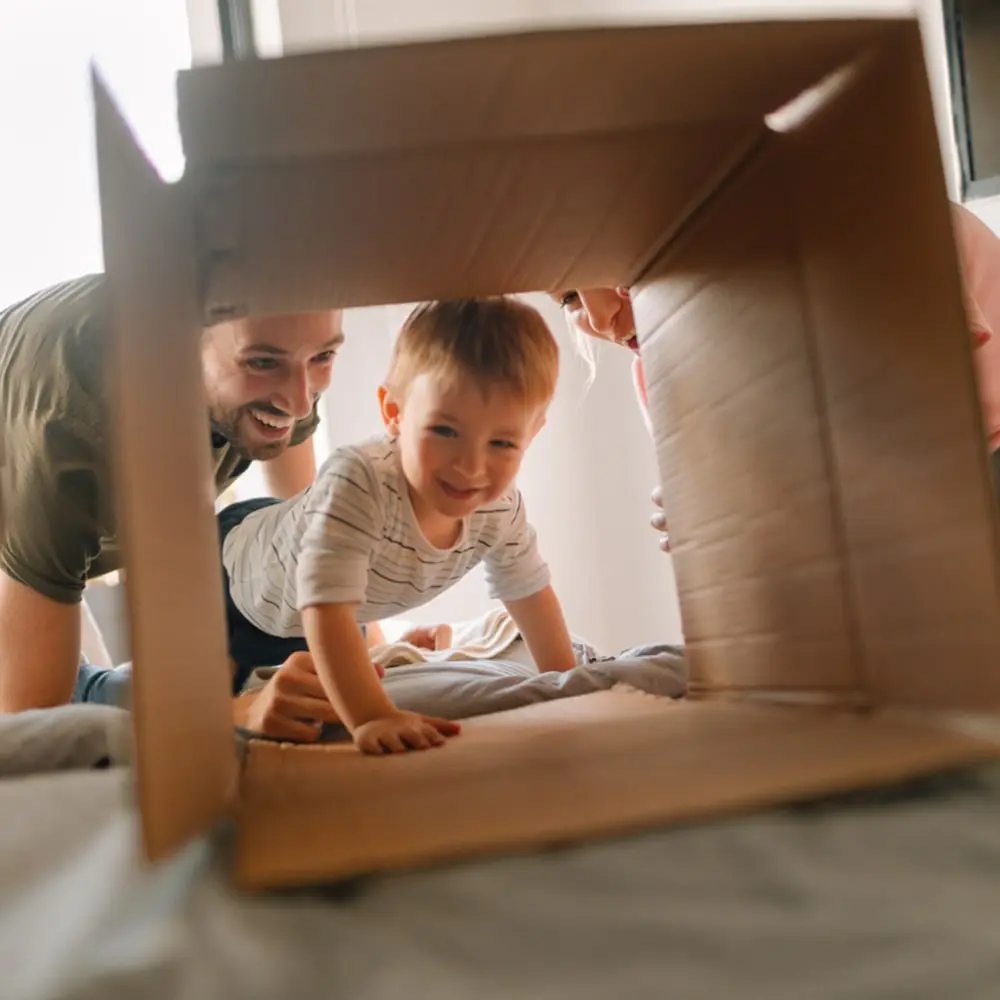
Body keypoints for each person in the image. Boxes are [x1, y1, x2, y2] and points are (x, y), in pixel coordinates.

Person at [219, 297, 577, 754]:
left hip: (307, 610)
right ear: (394, 412)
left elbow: (530, 594)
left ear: (533, 433)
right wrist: (373, 717)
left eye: (503, 442)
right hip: (232, 582)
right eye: (445, 431)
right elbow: (326, 611)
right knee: (194, 716)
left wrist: (568, 685)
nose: (471, 467)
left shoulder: (499, 509)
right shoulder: (360, 482)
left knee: (310, 678)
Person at [0, 273, 343, 728]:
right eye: (263, 363)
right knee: (70, 714)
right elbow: (34, 728)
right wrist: (231, 718)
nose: (301, 402)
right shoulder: (75, 435)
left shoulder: (281, 341)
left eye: (323, 356)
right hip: (33, 492)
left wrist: (375, 650)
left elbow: (313, 540)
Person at [553, 203, 1000, 545]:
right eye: (569, 297)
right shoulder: (661, 377)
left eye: (618, 269)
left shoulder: (855, 218)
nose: (599, 318)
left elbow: (912, 424)